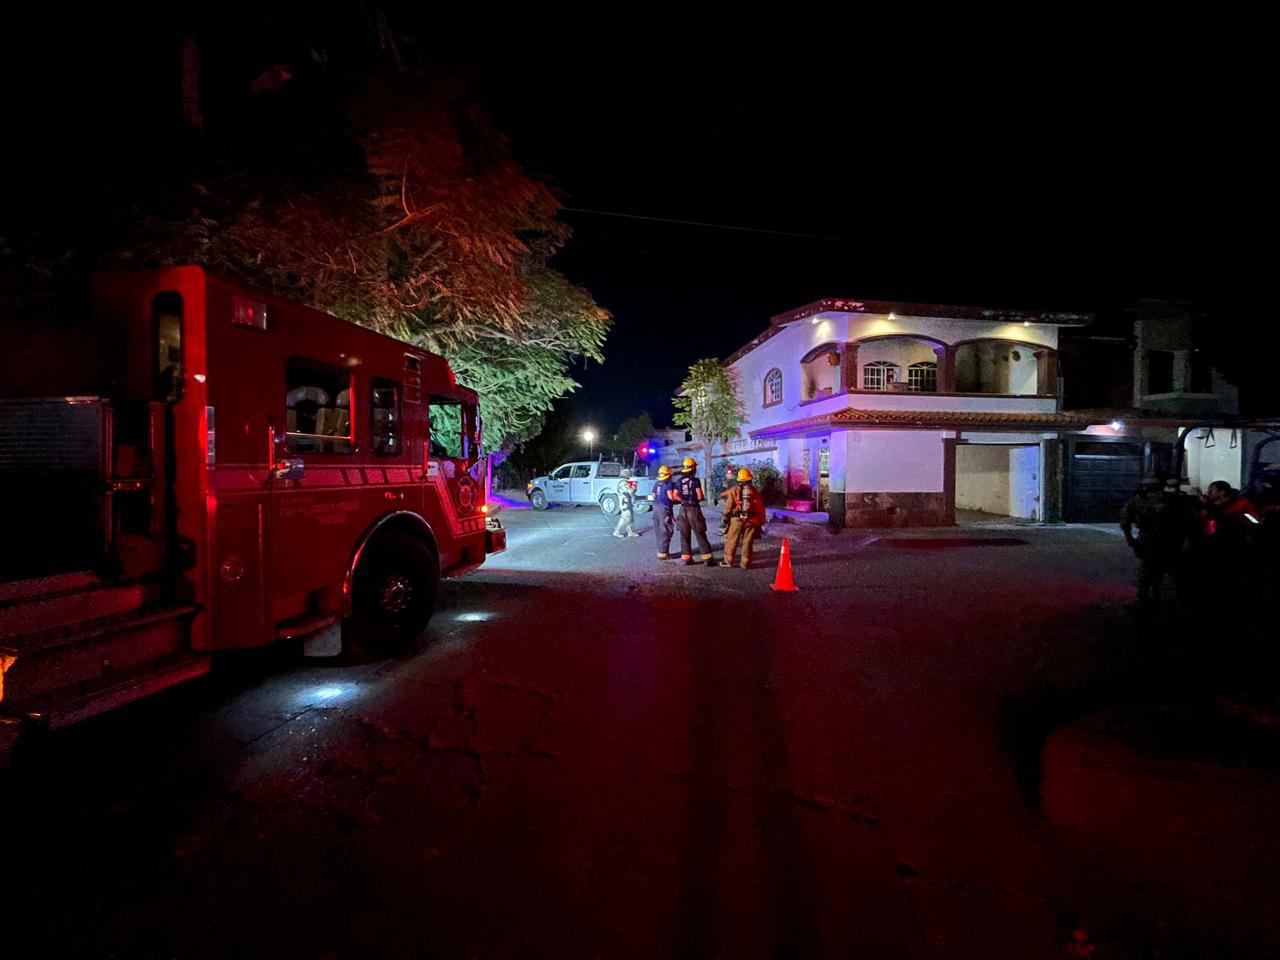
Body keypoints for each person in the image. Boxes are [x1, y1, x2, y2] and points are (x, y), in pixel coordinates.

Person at [1120, 476, 1194, 603]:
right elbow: (1187, 520)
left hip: (1150, 538)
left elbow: (1125, 520)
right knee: (1169, 569)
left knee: (1147, 569)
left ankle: (1145, 597)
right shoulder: (1175, 498)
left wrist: (1130, 538)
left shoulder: (1138, 499)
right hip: (1170, 538)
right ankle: (1169, 597)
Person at [720, 468, 767, 568]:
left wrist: (725, 517)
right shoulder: (753, 491)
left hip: (736, 519)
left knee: (731, 540)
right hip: (751, 519)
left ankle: (728, 561)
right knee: (748, 541)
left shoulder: (734, 490)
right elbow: (760, 506)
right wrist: (762, 520)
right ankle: (745, 563)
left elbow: (728, 506)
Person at [675, 457, 715, 566]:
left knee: (684, 535)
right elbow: (700, 496)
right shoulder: (695, 481)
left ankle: (686, 559)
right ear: (693, 469)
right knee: (700, 533)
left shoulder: (679, 481)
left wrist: (683, 500)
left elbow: (675, 496)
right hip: (693, 509)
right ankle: (708, 559)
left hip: (682, 510)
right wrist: (693, 500)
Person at [650, 465, 680, 560]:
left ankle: (660, 552)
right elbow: (671, 497)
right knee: (666, 530)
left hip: (655, 508)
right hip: (664, 509)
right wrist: (680, 500)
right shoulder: (668, 484)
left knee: (658, 531)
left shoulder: (657, 483)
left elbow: (653, 495)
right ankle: (663, 554)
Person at [612, 469, 641, 538]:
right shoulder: (623, 483)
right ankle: (617, 531)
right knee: (626, 517)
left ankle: (630, 531)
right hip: (624, 502)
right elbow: (630, 491)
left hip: (627, 501)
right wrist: (634, 486)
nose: (631, 475)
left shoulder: (625, 482)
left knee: (630, 517)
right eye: (629, 474)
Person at [717, 463, 739, 536]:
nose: (726, 474)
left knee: (725, 515)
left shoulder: (733, 481)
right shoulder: (730, 481)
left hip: (732, 501)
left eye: (728, 473)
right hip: (730, 500)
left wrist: (721, 495)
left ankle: (724, 530)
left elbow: (730, 492)